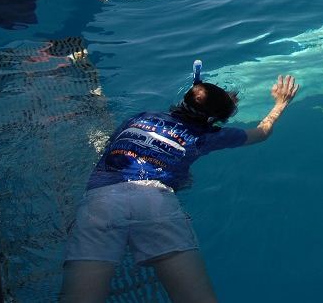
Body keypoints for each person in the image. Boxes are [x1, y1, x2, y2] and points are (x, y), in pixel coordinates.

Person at [60, 65, 300, 303]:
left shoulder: (140, 117)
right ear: (215, 121)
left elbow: (110, 152)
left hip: (102, 201)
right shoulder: (208, 136)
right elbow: (262, 132)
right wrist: (280, 104)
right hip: (156, 203)